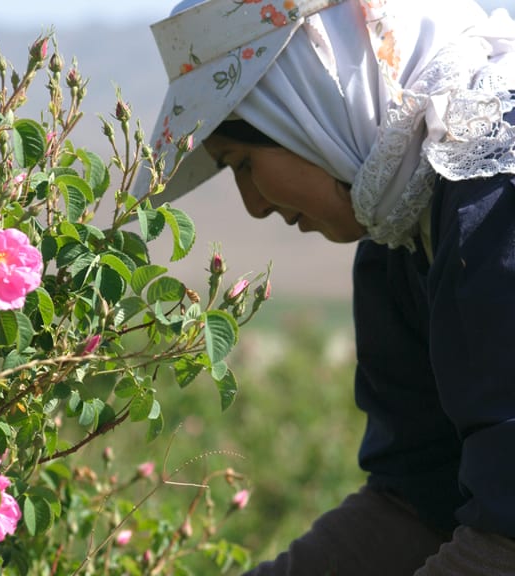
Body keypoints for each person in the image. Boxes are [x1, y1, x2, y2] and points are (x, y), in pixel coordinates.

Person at [139, 0, 515, 573]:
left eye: (242, 162)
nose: (253, 205)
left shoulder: (494, 200)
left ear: (305, 106)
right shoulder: (400, 233)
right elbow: (417, 503)